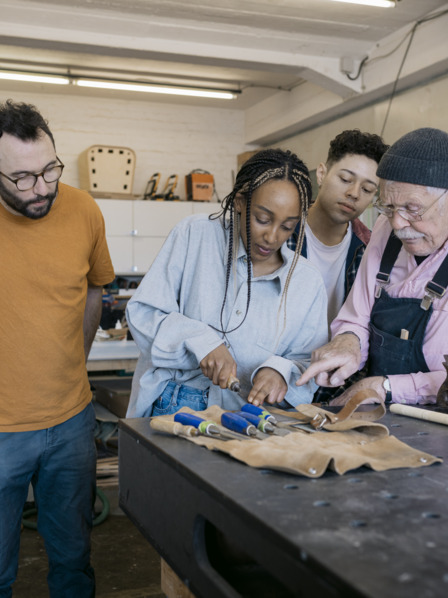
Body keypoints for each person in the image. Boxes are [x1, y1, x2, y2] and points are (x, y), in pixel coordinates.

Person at [0, 100, 114, 597]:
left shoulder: (84, 209)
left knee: (73, 562)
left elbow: (96, 288)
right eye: (22, 178)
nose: (41, 187)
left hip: (71, 420)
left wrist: (75, 359)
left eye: (49, 169)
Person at [126, 149, 328, 418]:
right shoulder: (193, 235)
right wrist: (200, 340)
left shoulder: (308, 281)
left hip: (249, 415)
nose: (271, 236)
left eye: (288, 226)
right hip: (174, 404)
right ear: (241, 201)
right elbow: (143, 314)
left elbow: (308, 363)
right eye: (262, 219)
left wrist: (279, 372)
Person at [297, 127, 448, 407]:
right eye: (389, 207)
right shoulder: (384, 231)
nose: (398, 224)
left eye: (413, 210)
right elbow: (357, 315)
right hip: (379, 412)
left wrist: (385, 387)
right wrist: (349, 342)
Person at [287, 129, 389, 324]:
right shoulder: (282, 232)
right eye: (345, 179)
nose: (354, 193)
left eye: (367, 189)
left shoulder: (369, 247)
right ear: (321, 174)